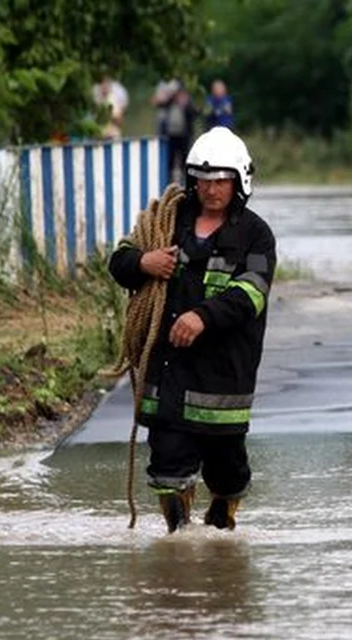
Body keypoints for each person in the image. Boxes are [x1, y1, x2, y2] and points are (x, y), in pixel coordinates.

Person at [108, 128, 276, 533]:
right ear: (192, 180)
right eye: (203, 180)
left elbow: (252, 293)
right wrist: (142, 262)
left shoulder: (255, 235)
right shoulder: (167, 221)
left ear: (239, 181)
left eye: (220, 181)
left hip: (222, 381)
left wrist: (202, 316)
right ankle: (178, 541)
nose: (211, 189)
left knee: (227, 471)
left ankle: (222, 524)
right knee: (167, 466)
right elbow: (119, 260)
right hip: (167, 375)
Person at [155, 80, 198, 184]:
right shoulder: (169, 102)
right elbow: (158, 104)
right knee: (169, 159)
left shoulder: (187, 101)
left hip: (183, 135)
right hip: (170, 135)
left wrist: (186, 105)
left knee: (184, 157)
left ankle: (185, 180)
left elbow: (194, 113)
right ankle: (168, 180)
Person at [92, 75, 129, 139]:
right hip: (99, 134)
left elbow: (119, 119)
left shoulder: (114, 99)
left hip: (113, 133)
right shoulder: (96, 97)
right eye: (102, 85)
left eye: (106, 85)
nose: (104, 88)